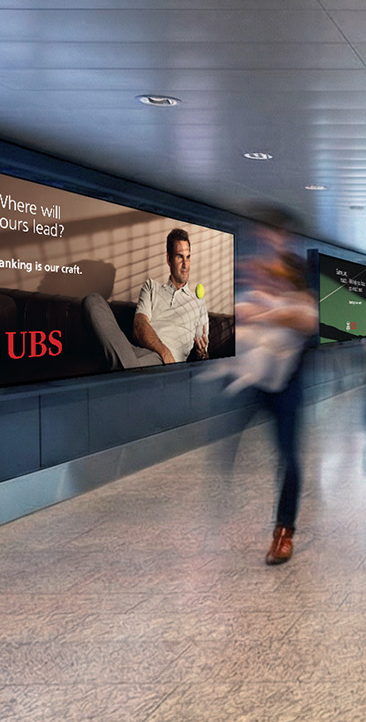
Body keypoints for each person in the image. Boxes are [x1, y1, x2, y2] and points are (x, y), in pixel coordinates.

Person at [226, 225, 318, 565]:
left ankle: (284, 531)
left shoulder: (298, 299)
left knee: (288, 457)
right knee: (230, 443)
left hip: (286, 388)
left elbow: (305, 319)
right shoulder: (256, 292)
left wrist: (264, 311)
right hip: (254, 380)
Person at [85, 228, 211, 370]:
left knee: (117, 364)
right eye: (179, 257)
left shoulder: (198, 303)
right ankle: (128, 371)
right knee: (93, 300)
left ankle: (121, 368)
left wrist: (201, 354)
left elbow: (204, 358)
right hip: (136, 352)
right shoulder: (152, 287)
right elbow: (139, 326)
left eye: (188, 257)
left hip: (160, 364)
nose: (185, 264)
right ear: (169, 259)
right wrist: (165, 353)